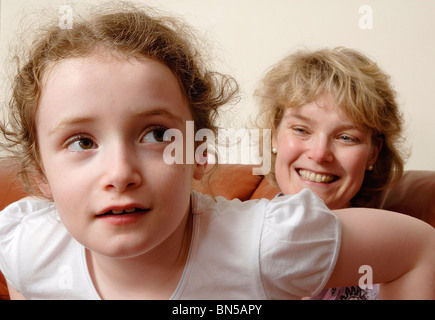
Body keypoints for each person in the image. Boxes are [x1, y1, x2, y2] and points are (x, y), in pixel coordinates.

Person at [0, 3, 434, 300]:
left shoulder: (273, 239)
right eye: (82, 142)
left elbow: (420, 250)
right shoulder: (26, 242)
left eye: (155, 135)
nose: (120, 173)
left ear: (200, 152)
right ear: (40, 173)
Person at [254, 47, 409, 299]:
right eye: (302, 130)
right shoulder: (232, 234)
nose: (319, 154)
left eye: (346, 137)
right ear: (274, 135)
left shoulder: (397, 256)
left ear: (373, 152)